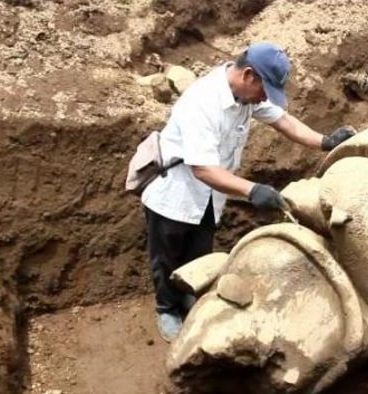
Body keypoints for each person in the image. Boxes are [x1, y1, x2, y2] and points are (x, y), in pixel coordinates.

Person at [141, 41, 356, 342]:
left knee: (198, 253)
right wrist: (253, 190)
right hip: (175, 194)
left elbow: (283, 120)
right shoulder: (203, 101)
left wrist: (325, 141)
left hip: (209, 195)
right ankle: (166, 308)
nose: (265, 98)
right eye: (264, 90)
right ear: (249, 76)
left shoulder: (246, 96)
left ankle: (188, 298)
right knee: (166, 256)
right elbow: (201, 168)